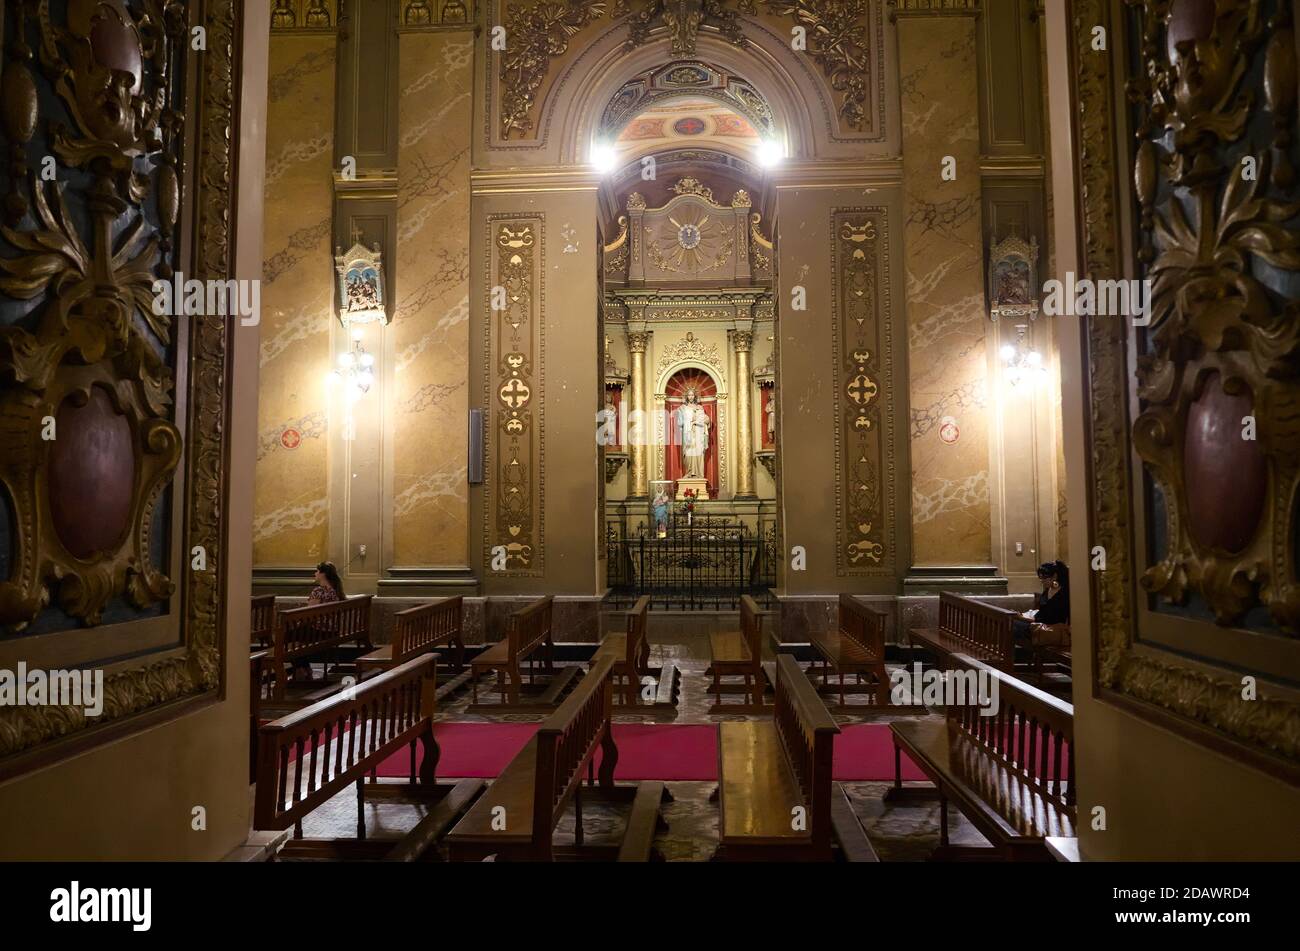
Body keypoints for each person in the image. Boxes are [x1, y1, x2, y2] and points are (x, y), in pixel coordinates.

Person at [1016, 560, 1070, 647]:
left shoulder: (1063, 594)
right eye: (1040, 578)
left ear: (1055, 576)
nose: (1041, 581)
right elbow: (1042, 613)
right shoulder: (1048, 590)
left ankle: (1008, 656)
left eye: (1044, 577)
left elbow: (1049, 619)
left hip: (1050, 629)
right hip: (1039, 624)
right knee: (1009, 623)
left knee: (1012, 625)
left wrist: (1022, 618)